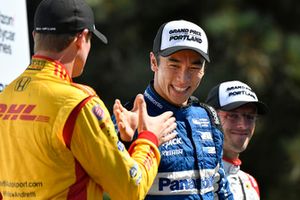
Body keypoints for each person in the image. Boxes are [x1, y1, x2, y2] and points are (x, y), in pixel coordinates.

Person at [0, 0, 177, 199]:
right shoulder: (78, 103)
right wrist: (149, 138)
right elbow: (129, 189)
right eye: (90, 40)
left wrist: (125, 141)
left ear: (35, 36)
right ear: (81, 38)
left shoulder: (5, 95)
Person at [115, 19, 233, 199]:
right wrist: (124, 141)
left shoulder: (209, 117)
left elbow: (219, 188)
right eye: (174, 65)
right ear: (154, 62)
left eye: (195, 66)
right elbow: (114, 187)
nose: (183, 79)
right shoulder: (131, 117)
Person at [205, 80, 268, 200]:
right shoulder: (194, 176)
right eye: (233, 115)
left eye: (250, 117)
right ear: (210, 118)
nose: (243, 126)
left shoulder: (250, 183)